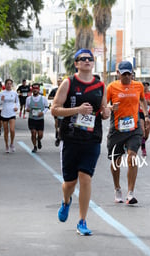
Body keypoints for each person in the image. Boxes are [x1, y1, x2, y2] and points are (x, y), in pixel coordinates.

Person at [51, 49, 109, 236]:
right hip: (71, 138)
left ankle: (82, 221)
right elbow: (55, 110)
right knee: (70, 183)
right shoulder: (69, 83)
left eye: (89, 59)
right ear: (76, 63)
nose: (86, 61)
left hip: (92, 139)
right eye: (82, 59)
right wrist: (77, 110)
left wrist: (107, 112)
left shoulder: (101, 85)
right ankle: (66, 200)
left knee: (85, 178)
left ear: (93, 63)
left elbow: (104, 111)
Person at [107, 61, 150, 204]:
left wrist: (146, 115)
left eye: (128, 74)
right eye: (123, 73)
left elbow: (143, 100)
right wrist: (111, 107)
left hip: (134, 127)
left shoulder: (138, 86)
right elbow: (104, 106)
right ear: (118, 73)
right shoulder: (111, 87)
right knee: (116, 161)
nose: (126, 76)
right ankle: (117, 188)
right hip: (117, 127)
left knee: (132, 157)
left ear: (132, 73)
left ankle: (130, 193)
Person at [0, 79, 19, 153]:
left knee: (12, 130)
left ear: (12, 85)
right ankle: (6, 145)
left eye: (10, 84)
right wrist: (1, 101)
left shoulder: (14, 93)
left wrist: (17, 107)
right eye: (7, 84)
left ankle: (12, 143)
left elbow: (17, 102)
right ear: (5, 85)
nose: (9, 85)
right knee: (6, 131)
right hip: (4, 114)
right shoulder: (2, 93)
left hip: (12, 113)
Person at [25, 83, 49, 153]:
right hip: (32, 119)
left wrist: (43, 112)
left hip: (40, 119)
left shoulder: (43, 98)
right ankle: (34, 146)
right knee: (33, 132)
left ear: (39, 90)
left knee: (40, 135)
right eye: (34, 89)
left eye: (36, 89)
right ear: (32, 90)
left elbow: (47, 107)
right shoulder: (28, 99)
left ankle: (39, 140)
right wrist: (28, 110)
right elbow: (26, 108)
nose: (35, 90)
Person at [139, 82, 150, 156]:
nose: (145, 87)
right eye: (144, 86)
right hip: (140, 114)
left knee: (147, 133)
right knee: (142, 130)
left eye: (147, 86)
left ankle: (142, 142)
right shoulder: (139, 94)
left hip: (148, 114)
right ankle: (143, 149)